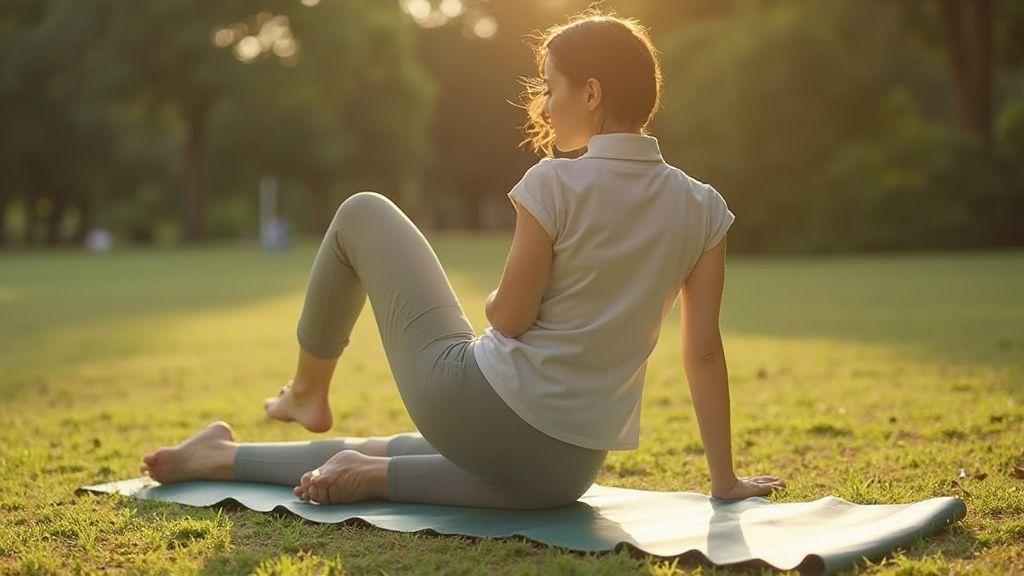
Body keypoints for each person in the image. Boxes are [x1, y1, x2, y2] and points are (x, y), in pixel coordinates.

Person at [140, 7, 786, 509]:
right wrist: (722, 479)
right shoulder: (702, 206)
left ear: (590, 93)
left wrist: (490, 303)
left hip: (487, 415)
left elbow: (509, 319)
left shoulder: (553, 184)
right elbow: (702, 352)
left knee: (362, 211)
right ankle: (213, 458)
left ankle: (309, 389)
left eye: (550, 86)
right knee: (377, 454)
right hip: (565, 471)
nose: (541, 102)